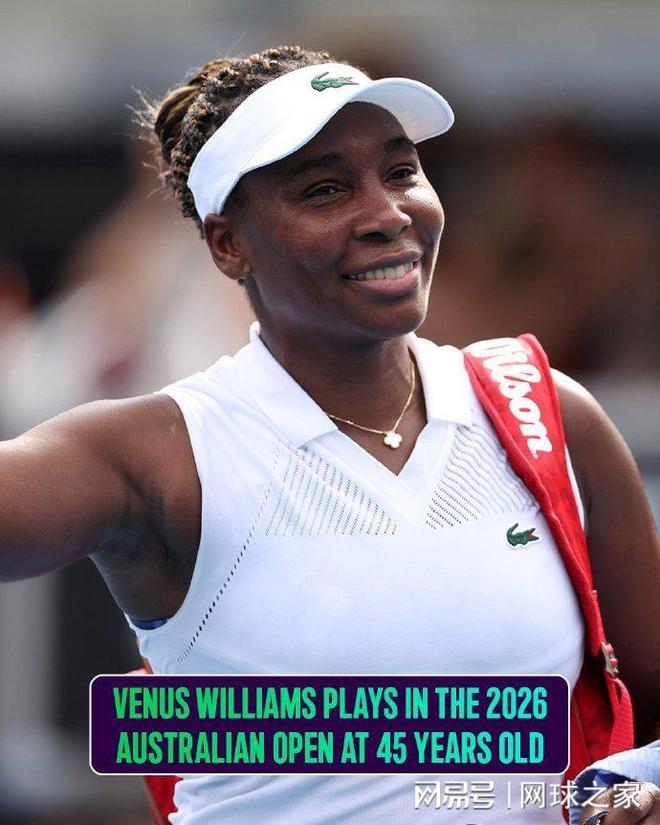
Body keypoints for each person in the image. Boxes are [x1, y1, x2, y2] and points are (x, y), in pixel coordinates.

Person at [1, 45, 658, 824]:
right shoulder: (162, 453)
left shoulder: (549, 414)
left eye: (402, 171)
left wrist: (638, 788)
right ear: (227, 243)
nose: (388, 213)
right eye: (325, 189)